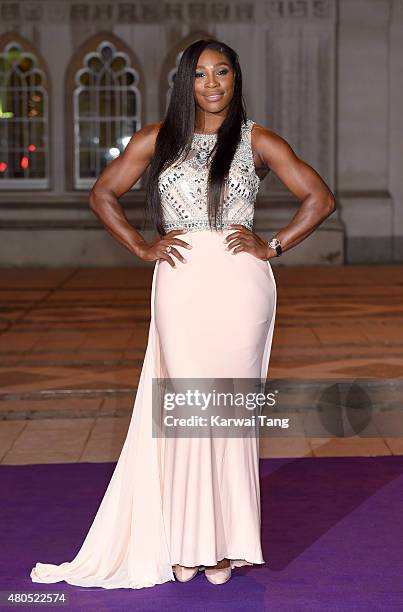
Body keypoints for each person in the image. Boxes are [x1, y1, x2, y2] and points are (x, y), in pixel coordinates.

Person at [30, 38, 335, 589]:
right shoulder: (158, 139)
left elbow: (319, 197)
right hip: (181, 279)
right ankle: (189, 540)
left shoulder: (256, 139)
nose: (212, 83)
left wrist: (275, 244)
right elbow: (103, 193)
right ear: (184, 82)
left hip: (243, 284)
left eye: (222, 72)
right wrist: (143, 247)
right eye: (200, 74)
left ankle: (228, 543)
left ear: (236, 78)